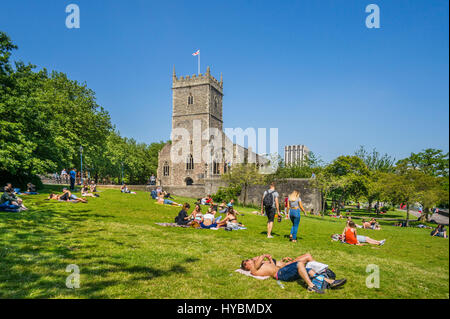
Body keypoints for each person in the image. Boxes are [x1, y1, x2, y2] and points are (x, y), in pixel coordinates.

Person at [240, 253, 347, 294]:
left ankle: (330, 281)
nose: (249, 261)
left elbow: (276, 265)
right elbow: (257, 265)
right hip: (280, 274)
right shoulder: (253, 271)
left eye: (248, 260)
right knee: (300, 264)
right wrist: (261, 256)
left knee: (308, 269)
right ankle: (311, 286)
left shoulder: (261, 264)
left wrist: (274, 259)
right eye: (246, 263)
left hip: (282, 271)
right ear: (246, 267)